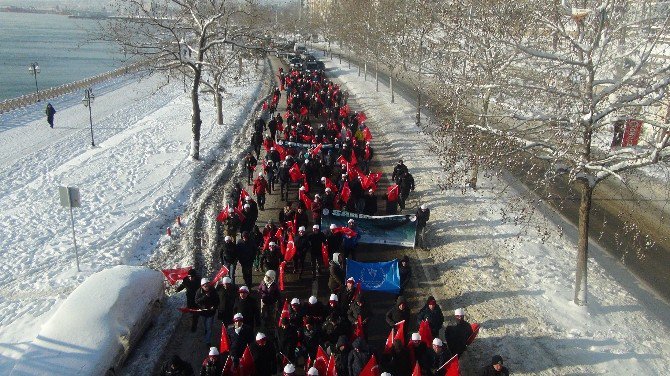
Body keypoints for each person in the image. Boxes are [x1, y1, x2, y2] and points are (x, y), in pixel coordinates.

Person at [195, 278, 219, 346]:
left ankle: (208, 341)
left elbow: (217, 300)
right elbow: (197, 301)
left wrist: (214, 307)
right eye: (205, 286)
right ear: (202, 286)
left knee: (209, 327)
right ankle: (206, 331)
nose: (207, 287)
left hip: (210, 313)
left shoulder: (213, 291)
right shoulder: (199, 292)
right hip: (203, 313)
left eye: (208, 285)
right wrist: (205, 296)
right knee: (205, 325)